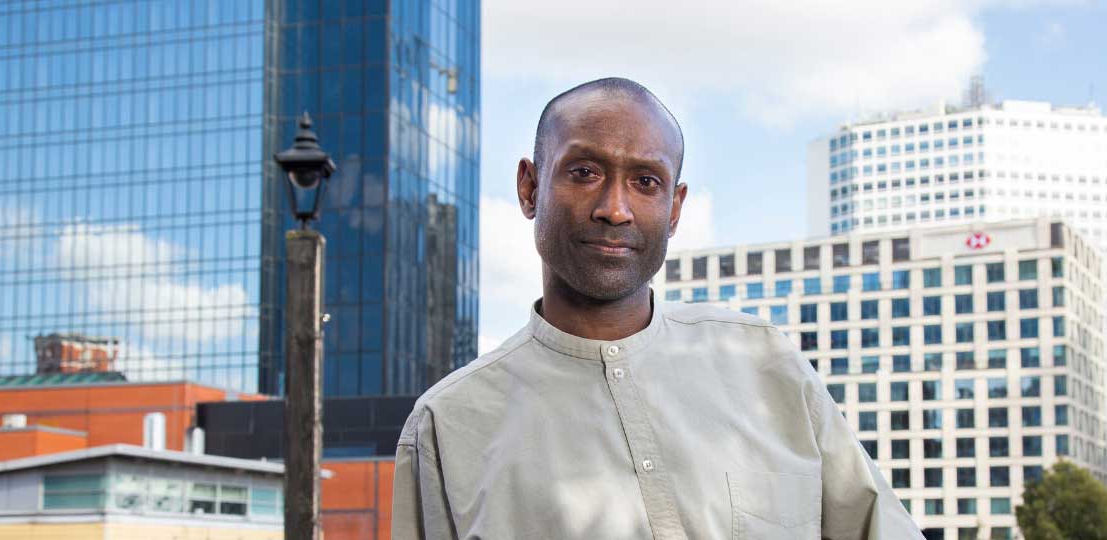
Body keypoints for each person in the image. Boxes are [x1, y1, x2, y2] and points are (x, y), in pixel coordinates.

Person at [391, 77, 923, 540]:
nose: (615, 210)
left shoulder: (767, 363)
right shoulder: (448, 425)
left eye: (646, 182)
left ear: (674, 208)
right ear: (530, 187)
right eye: (584, 172)